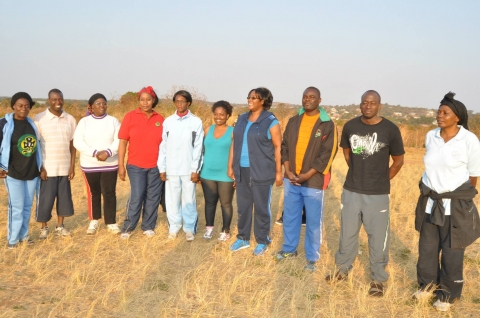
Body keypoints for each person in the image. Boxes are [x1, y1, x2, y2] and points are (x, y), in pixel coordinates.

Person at [326, 90, 405, 297]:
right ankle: (342, 271)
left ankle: (378, 280)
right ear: (360, 105)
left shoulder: (391, 129)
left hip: (377, 194)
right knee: (347, 235)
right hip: (351, 190)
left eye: (373, 103)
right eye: (364, 102)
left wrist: (381, 179)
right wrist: (357, 173)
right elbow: (346, 151)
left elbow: (398, 161)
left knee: (377, 238)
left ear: (379, 105)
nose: (368, 106)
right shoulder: (351, 126)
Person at [413, 92, 480, 312]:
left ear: (457, 117)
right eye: (438, 111)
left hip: (455, 205)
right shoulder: (431, 136)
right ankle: (427, 286)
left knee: (452, 250)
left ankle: (449, 294)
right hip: (431, 203)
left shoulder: (468, 140)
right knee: (428, 248)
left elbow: (473, 176)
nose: (439, 115)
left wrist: (458, 195)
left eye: (445, 112)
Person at [276, 87, 338, 271]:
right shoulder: (294, 121)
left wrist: (307, 175)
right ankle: (289, 249)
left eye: (312, 97)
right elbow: (285, 147)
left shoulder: (327, 124)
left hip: (313, 181)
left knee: (312, 220)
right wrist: (288, 170)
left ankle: (312, 257)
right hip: (291, 179)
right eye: (305, 97)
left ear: (319, 100)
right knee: (291, 217)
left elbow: (328, 154)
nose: (307, 100)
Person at [228, 87, 283, 256]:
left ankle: (262, 240)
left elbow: (278, 147)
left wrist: (279, 172)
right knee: (243, 207)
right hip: (242, 169)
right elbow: (234, 143)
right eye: (249, 97)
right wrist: (231, 166)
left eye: (254, 98)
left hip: (262, 170)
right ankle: (243, 238)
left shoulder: (271, 121)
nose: (250, 100)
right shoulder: (242, 118)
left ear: (263, 101)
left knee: (261, 207)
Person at [118, 86, 164, 239]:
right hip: (136, 165)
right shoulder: (130, 117)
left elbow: (165, 145)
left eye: (148, 99)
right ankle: (128, 227)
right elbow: (123, 142)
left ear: (153, 100)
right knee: (137, 195)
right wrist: (121, 166)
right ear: (139, 101)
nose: (145, 103)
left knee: (153, 196)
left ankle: (148, 226)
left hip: (156, 166)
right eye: (142, 100)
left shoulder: (160, 119)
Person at [158, 90, 204, 241]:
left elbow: (198, 148)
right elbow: (163, 146)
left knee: (189, 199)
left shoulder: (196, 122)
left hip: (188, 169)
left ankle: (189, 228)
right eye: (177, 101)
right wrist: (162, 168)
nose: (179, 104)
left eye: (182, 101)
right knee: (171, 199)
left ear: (188, 103)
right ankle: (174, 226)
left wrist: (195, 169)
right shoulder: (168, 122)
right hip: (171, 168)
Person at [73, 93, 121, 235]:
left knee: (109, 192)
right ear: (91, 107)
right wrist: (95, 153)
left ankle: (111, 222)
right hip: (90, 164)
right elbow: (78, 142)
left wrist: (108, 152)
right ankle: (94, 220)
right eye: (98, 103)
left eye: (104, 103)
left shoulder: (113, 121)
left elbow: (119, 140)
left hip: (110, 163)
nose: (102, 106)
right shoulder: (84, 122)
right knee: (94, 192)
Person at [0, 92, 42, 248]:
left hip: (31, 172)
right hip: (13, 172)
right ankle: (12, 240)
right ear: (13, 106)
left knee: (27, 206)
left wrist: (40, 167)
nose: (24, 109)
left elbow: (38, 147)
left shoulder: (32, 124)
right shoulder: (4, 124)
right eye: (20, 106)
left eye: (27, 106)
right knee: (16, 207)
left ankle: (24, 235)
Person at [34, 89, 76, 239]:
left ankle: (60, 226)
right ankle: (44, 228)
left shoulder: (70, 119)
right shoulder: (39, 119)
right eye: (54, 99)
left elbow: (72, 145)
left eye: (60, 99)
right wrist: (40, 167)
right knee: (46, 200)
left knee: (64, 199)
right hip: (47, 169)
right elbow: (36, 146)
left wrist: (72, 166)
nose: (57, 102)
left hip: (64, 168)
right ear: (48, 100)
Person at [200, 101, 235, 241]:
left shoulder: (233, 132)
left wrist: (234, 172)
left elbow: (236, 153)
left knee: (226, 203)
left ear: (228, 115)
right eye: (216, 114)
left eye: (222, 114)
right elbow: (200, 151)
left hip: (226, 174)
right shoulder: (207, 130)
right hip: (207, 173)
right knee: (209, 202)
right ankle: (209, 229)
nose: (218, 117)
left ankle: (225, 231)